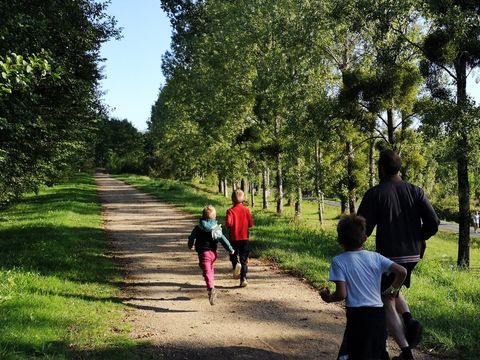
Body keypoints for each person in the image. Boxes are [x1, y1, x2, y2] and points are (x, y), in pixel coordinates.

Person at [357, 149, 439, 360]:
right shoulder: (416, 191)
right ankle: (409, 319)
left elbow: (361, 229)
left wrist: (354, 247)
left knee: (386, 300)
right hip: (412, 255)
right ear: (399, 167)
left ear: (382, 168)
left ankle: (406, 353)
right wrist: (421, 238)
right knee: (392, 287)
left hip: (389, 257)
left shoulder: (375, 193)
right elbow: (434, 222)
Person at [320, 214, 407, 360]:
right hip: (378, 313)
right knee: (378, 350)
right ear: (365, 238)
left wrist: (328, 298)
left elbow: (341, 294)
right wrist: (393, 289)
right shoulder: (376, 257)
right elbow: (402, 271)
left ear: (340, 241)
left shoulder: (339, 261)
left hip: (358, 315)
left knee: (357, 352)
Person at [188, 205, 235, 305]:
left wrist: (190, 245)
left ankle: (211, 289)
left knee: (206, 271)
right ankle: (211, 280)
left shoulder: (197, 228)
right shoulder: (216, 229)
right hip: (213, 254)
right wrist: (230, 249)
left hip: (203, 254)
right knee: (209, 268)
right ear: (214, 218)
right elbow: (223, 240)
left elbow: (191, 238)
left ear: (202, 216)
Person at [226, 189, 254, 287]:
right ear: (243, 199)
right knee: (244, 259)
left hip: (233, 238)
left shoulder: (230, 211)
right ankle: (243, 279)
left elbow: (228, 224)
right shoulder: (246, 210)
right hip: (244, 238)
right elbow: (250, 224)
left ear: (232, 199)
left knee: (233, 254)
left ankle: (235, 264)